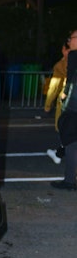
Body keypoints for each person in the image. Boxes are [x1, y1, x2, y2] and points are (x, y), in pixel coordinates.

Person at [51, 29, 77, 190]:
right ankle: (69, 180)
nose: (69, 42)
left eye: (71, 38)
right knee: (72, 143)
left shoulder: (74, 55)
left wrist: (65, 96)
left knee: (70, 139)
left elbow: (70, 81)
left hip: (74, 107)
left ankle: (69, 181)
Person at [44, 42, 70, 164]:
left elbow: (54, 87)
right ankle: (59, 153)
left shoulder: (61, 65)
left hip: (67, 102)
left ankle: (59, 154)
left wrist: (48, 105)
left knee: (65, 129)